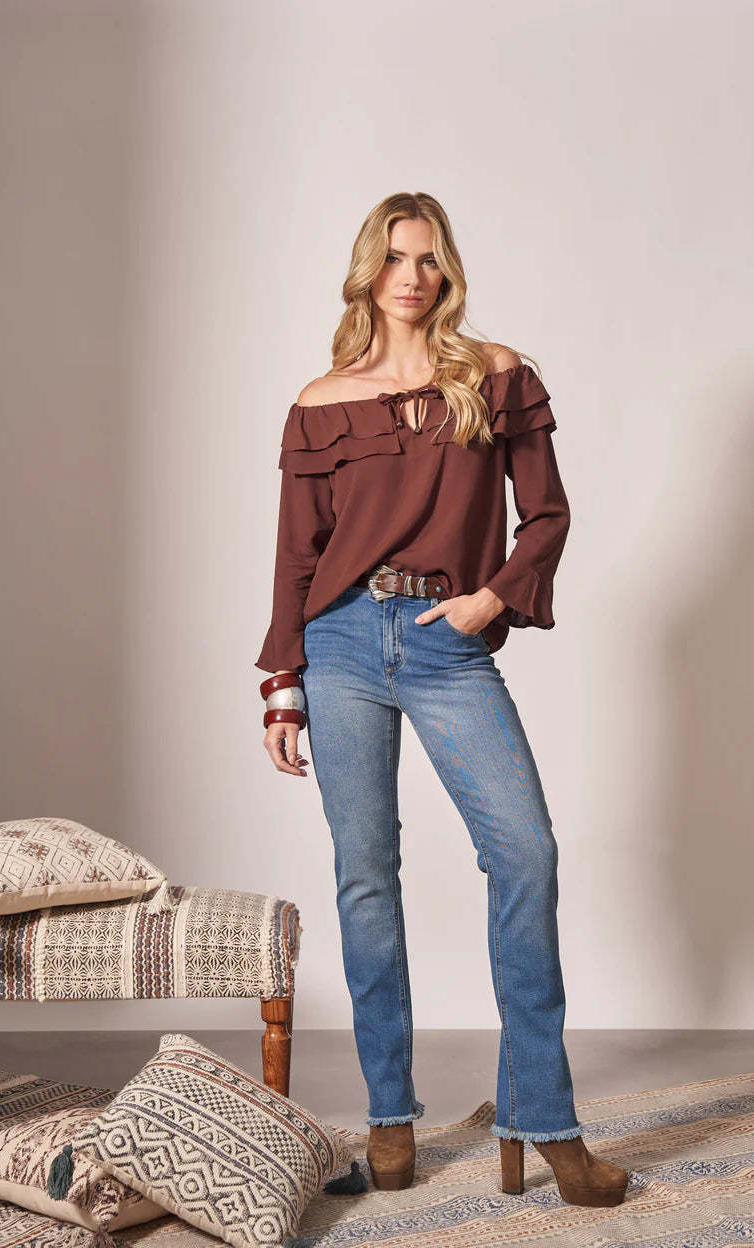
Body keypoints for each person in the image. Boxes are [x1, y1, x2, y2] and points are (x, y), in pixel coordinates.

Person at [255, 192, 629, 1205]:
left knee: (525, 851)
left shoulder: (495, 376)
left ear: (446, 269)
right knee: (366, 877)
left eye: (427, 258)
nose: (411, 276)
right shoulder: (322, 400)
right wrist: (282, 686)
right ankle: (389, 1117)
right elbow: (296, 556)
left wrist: (491, 599)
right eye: (393, 258)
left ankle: (542, 1121)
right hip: (338, 645)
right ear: (366, 272)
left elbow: (546, 514)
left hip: (442, 640)